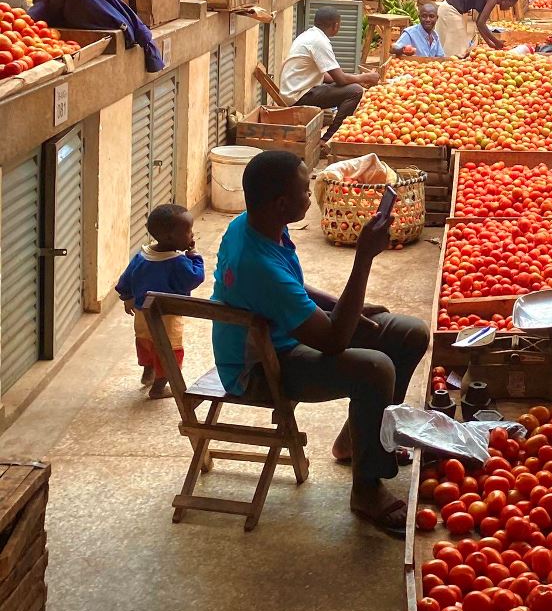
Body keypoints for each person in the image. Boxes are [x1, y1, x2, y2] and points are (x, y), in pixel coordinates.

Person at [211, 151, 429, 534]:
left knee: (409, 333)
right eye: (305, 191)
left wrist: (336, 304)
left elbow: (292, 288)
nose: (312, 196)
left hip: (283, 335)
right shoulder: (255, 262)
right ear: (281, 204)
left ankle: (356, 442)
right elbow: (331, 340)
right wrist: (364, 258)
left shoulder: (256, 224)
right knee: (376, 369)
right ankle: (366, 487)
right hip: (263, 367)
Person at [115, 204, 206, 400]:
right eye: (188, 231)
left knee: (146, 341)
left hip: (142, 313)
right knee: (169, 351)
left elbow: (126, 279)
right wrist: (195, 256)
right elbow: (194, 278)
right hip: (167, 317)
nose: (192, 235)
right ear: (171, 238)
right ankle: (159, 387)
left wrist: (127, 297)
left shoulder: (142, 255)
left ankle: (148, 371)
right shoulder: (178, 262)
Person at [280, 7, 379, 142]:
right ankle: (329, 138)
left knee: (349, 85)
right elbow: (340, 79)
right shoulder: (319, 42)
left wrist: (354, 78)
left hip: (295, 92)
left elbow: (327, 76)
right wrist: (365, 77)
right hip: (299, 96)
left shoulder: (309, 35)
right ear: (335, 26)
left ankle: (334, 134)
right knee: (355, 91)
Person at [436, 0, 518, 55]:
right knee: (459, 46)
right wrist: (496, 41)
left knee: (446, 41)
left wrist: (490, 43)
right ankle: (450, 67)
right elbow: (481, 24)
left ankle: (442, 62)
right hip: (451, 11)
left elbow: (479, 23)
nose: (508, 8)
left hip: (446, 8)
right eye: (510, 5)